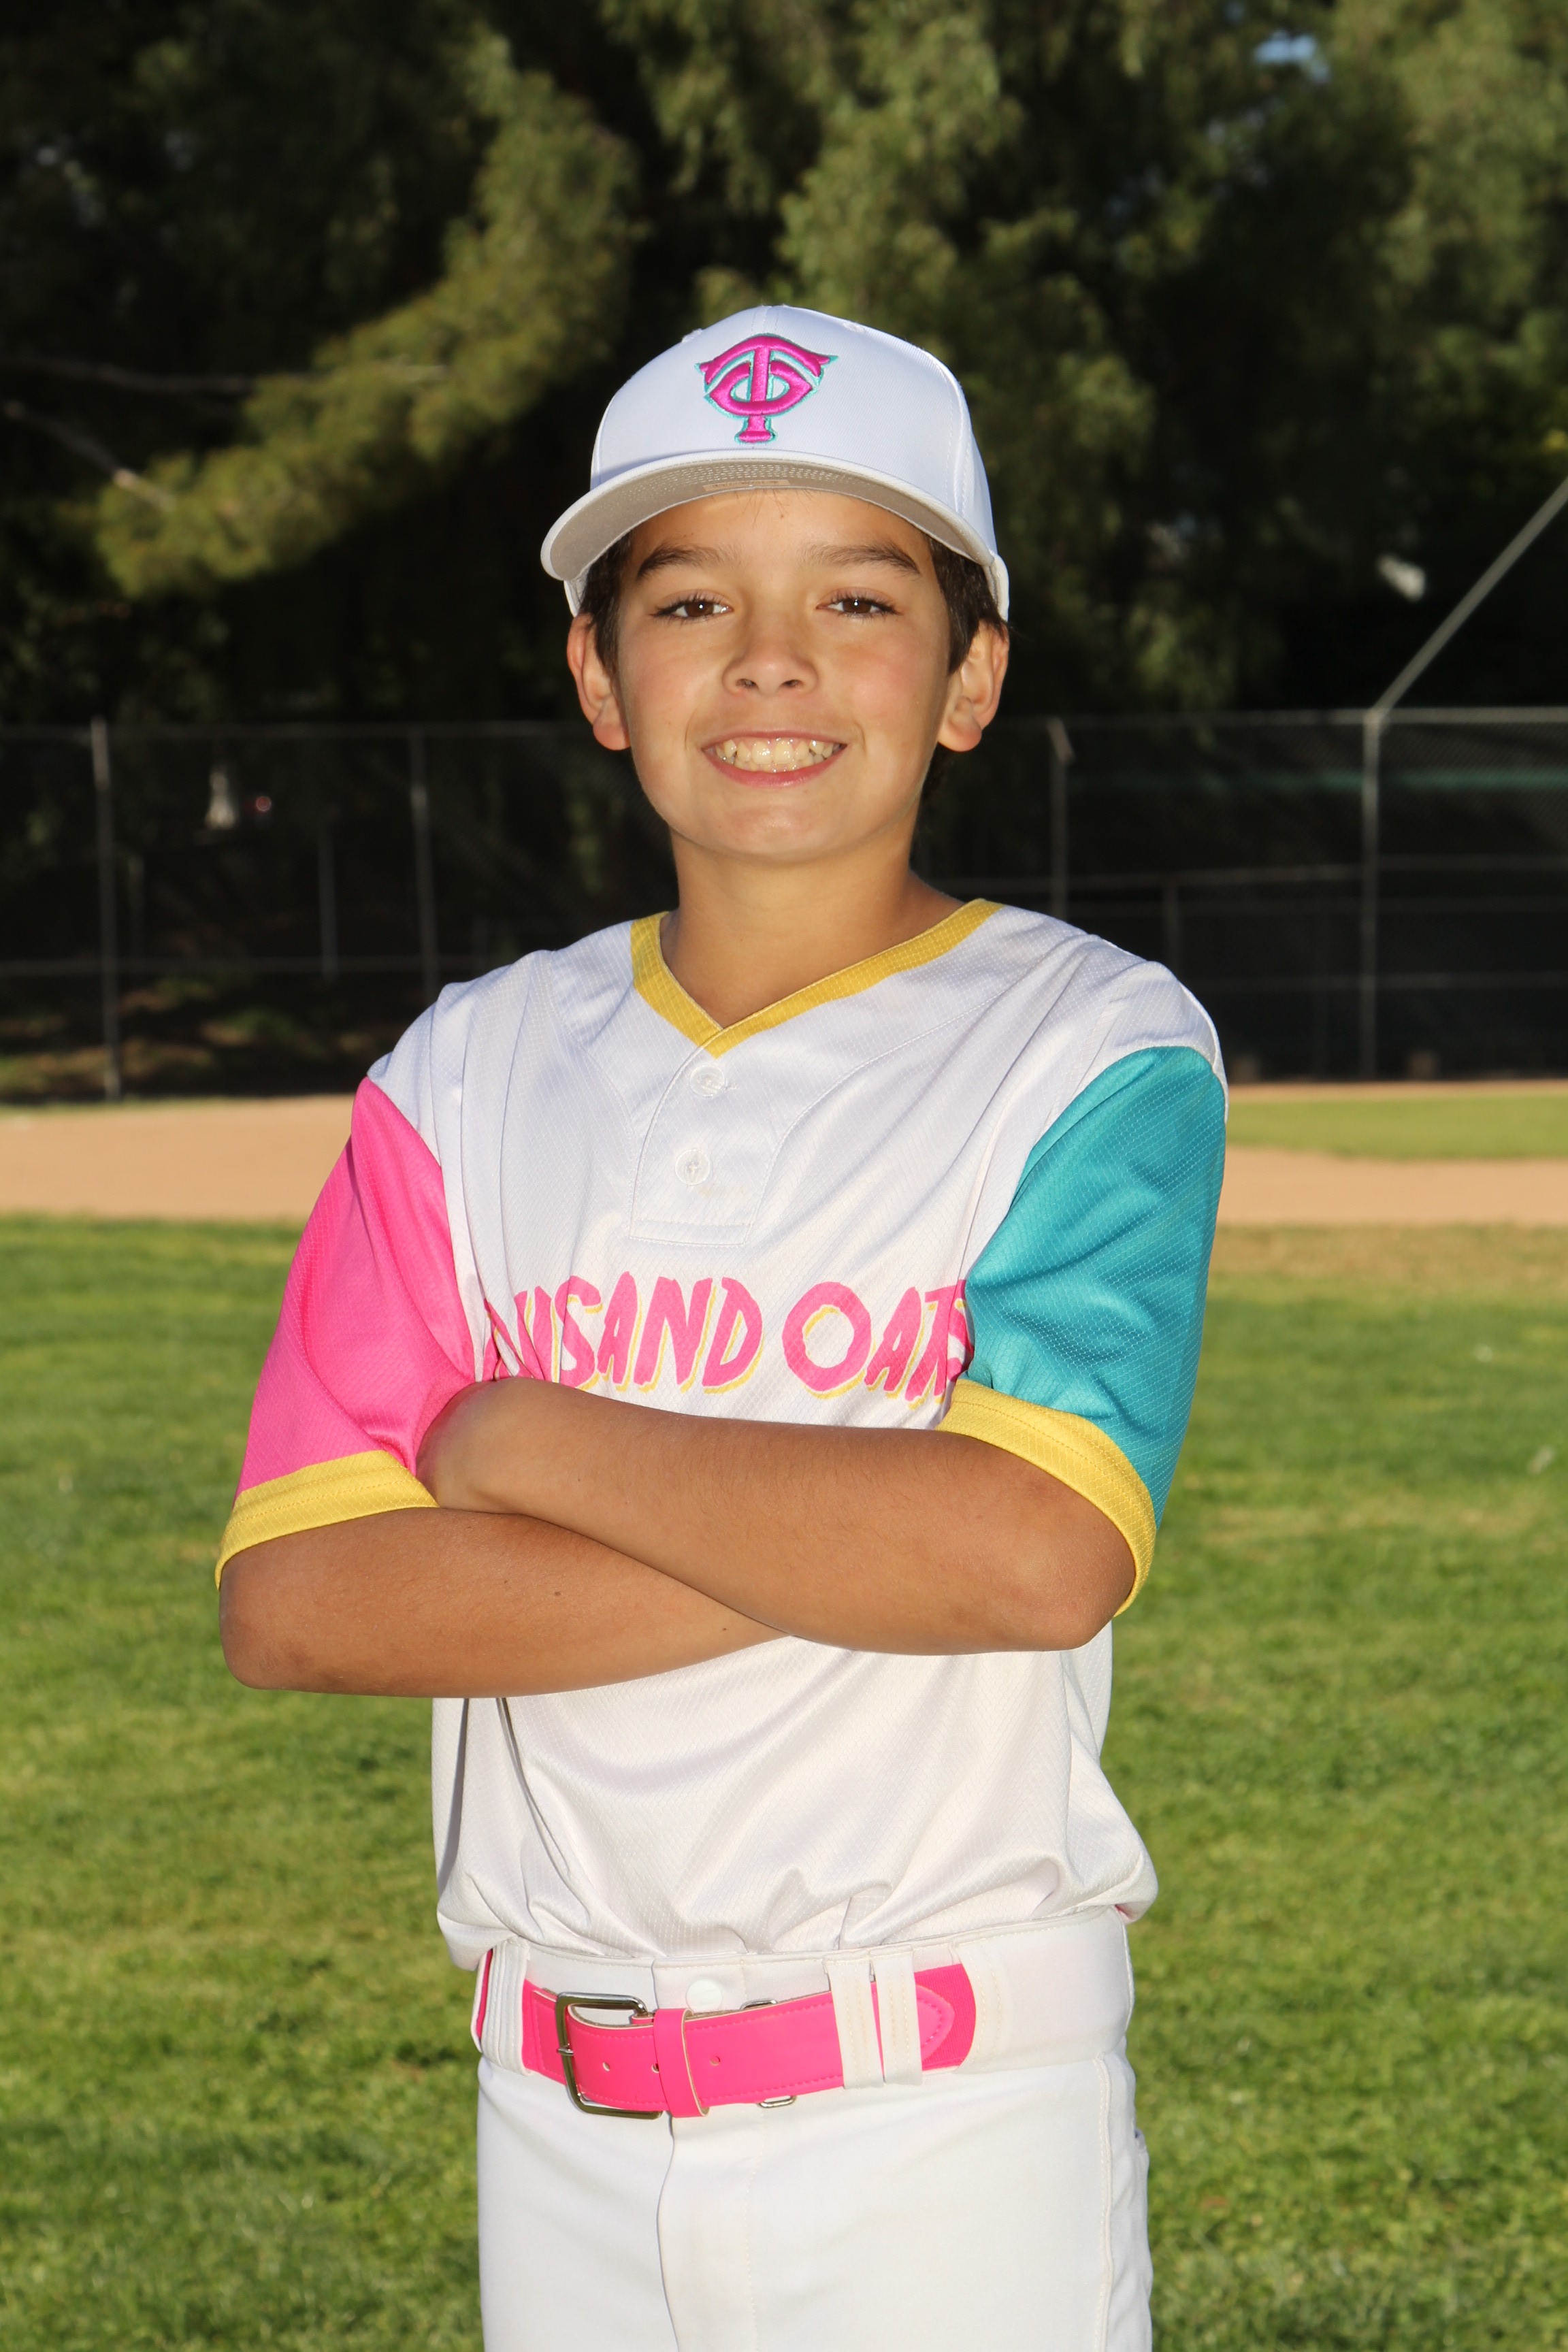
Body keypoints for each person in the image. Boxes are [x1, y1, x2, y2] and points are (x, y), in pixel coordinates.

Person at [218, 305, 1226, 2351]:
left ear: (972, 676)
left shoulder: (1090, 1042)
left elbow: (1036, 1554)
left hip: (952, 2117)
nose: (772, 661)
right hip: (554, 2115)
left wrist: (521, 1441)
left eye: (859, 598)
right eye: (689, 601)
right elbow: (302, 1600)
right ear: (601, 675)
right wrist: (870, 1529)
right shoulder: (466, 1071)